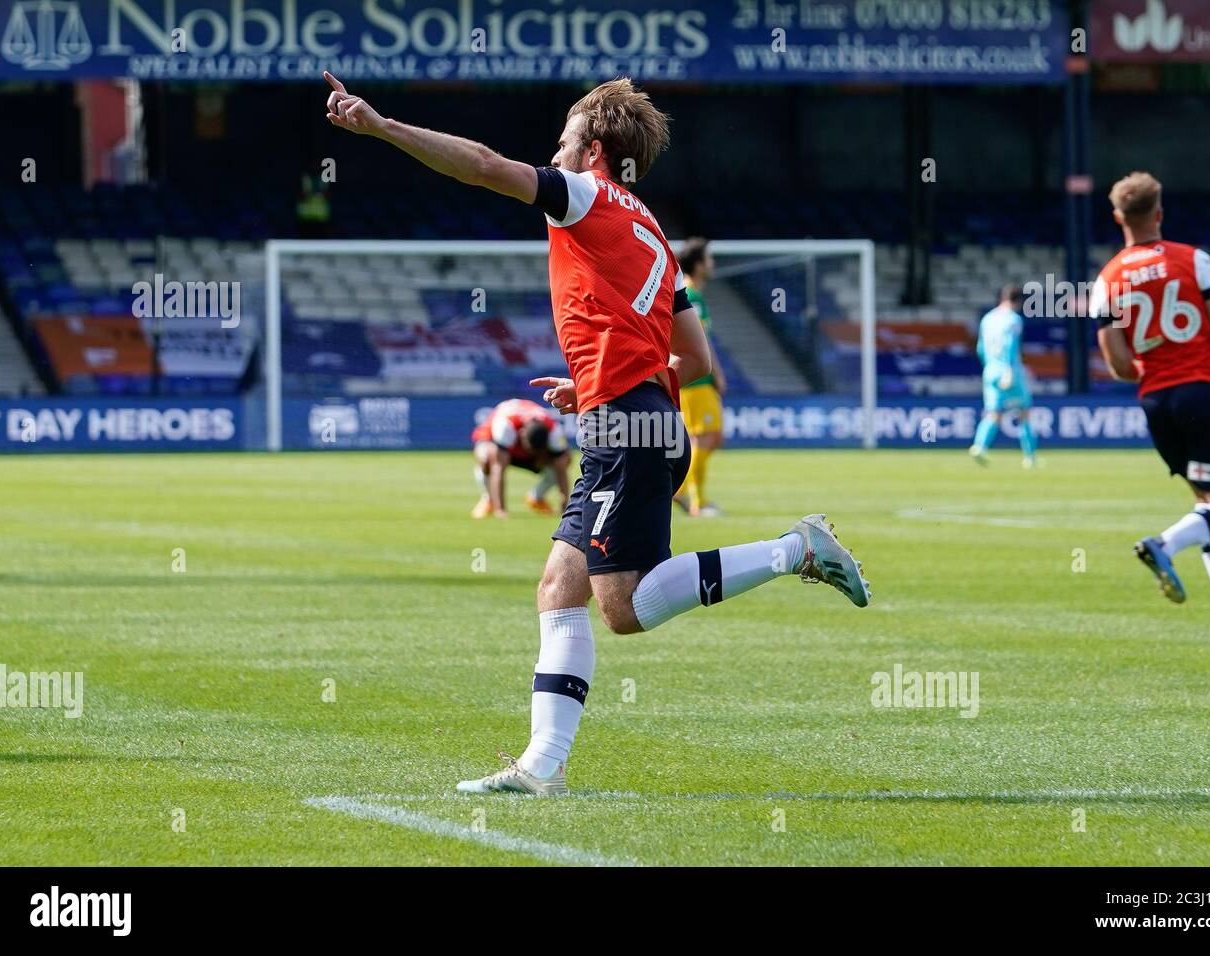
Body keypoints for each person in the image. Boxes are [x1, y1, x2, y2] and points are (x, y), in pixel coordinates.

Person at [324, 72, 871, 796]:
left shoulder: (584, 195)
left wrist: (383, 127)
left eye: (563, 141)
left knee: (625, 606)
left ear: (595, 150)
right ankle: (540, 767)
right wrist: (597, 384)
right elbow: (696, 360)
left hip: (627, 429)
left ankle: (793, 548)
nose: (554, 153)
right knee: (559, 586)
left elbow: (485, 166)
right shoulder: (655, 238)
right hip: (637, 417)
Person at [1092, 171, 1210, 627]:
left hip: (1157, 403)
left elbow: (1119, 366)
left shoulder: (1107, 279)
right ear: (1160, 213)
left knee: (1208, 504)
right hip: (1203, 393)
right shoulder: (1194, 261)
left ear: (1117, 217)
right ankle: (1163, 545)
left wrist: (1154, 365)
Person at [674, 237, 728, 517]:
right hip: (696, 380)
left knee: (710, 437)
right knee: (706, 438)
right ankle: (694, 499)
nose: (712, 263)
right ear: (698, 263)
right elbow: (700, 340)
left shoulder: (692, 294)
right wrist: (716, 373)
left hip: (697, 378)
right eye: (708, 257)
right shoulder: (690, 295)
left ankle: (687, 493)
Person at [969, 284, 1037, 468]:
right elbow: (1010, 345)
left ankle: (979, 447)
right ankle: (1030, 458)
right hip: (1009, 370)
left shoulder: (987, 319)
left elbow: (980, 348)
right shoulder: (1013, 320)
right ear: (1018, 301)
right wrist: (1007, 369)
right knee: (1024, 412)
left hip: (990, 370)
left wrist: (989, 367)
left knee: (993, 413)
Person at [471, 398, 571, 519]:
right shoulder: (505, 426)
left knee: (564, 459)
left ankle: (536, 498)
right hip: (494, 442)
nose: (531, 453)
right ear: (522, 434)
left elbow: (561, 464)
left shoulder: (554, 431)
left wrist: (565, 507)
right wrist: (501, 510)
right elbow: (498, 466)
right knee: (487, 458)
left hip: (523, 442)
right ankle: (489, 499)